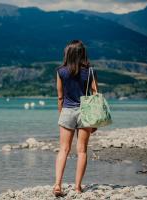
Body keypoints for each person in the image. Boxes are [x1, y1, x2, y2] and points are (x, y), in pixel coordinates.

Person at [53, 40, 98, 197]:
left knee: (63, 149)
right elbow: (95, 94)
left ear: (68, 53)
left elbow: (60, 96)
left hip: (67, 110)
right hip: (85, 112)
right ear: (82, 53)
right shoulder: (90, 71)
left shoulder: (61, 71)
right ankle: (78, 187)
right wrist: (96, 119)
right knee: (82, 151)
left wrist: (61, 115)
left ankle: (58, 185)